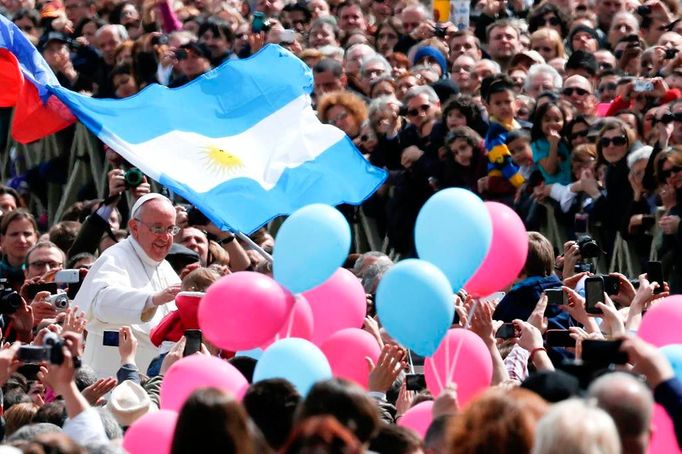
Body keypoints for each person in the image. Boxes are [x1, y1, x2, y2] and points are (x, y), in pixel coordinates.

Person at [74, 194, 182, 378]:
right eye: (157, 228)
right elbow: (101, 302)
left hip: (150, 382)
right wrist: (151, 300)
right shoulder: (115, 257)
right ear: (134, 227)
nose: (165, 237)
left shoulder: (165, 267)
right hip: (108, 379)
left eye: (171, 229)